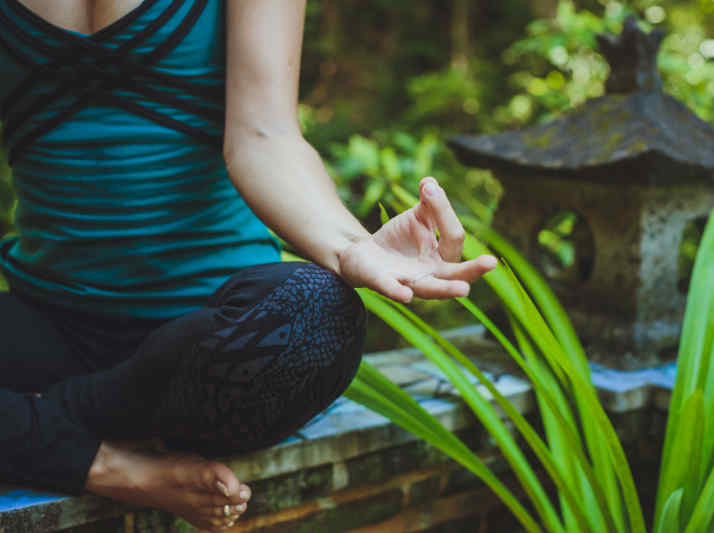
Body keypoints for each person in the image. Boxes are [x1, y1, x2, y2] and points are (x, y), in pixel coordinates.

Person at [0, 0, 497, 531]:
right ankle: (110, 465)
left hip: (218, 347)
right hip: (47, 329)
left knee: (317, 313)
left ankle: (37, 426)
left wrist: (353, 247)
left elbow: (264, 136)